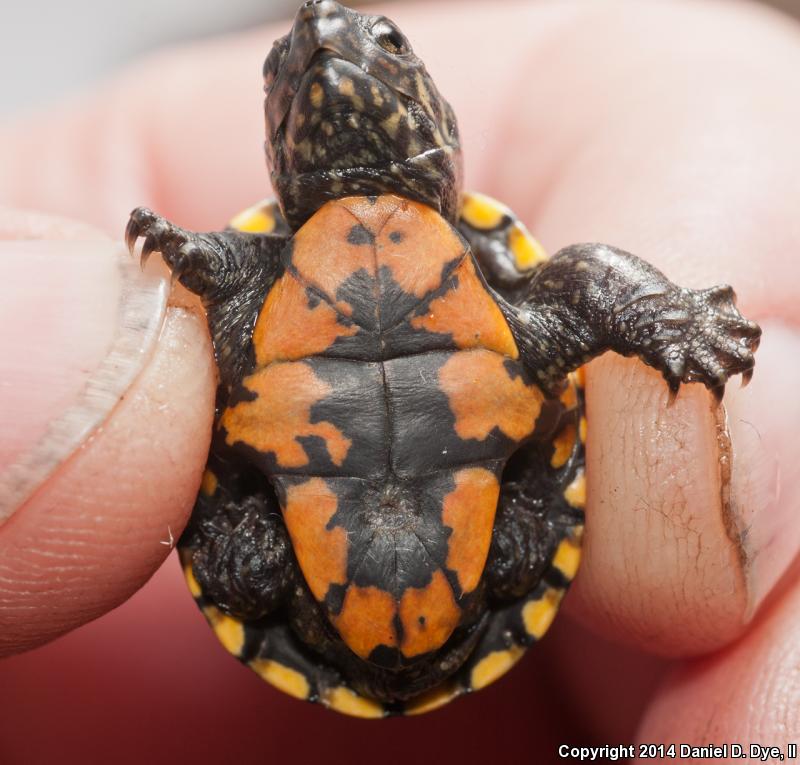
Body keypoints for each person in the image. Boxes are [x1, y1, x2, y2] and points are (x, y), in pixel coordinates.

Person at [0, 1, 797, 761]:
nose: (320, 31)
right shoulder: (251, 276)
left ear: (442, 118)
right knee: (262, 561)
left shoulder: (260, 286)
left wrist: (666, 318)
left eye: (382, 38)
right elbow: (581, 290)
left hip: (347, 568)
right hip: (476, 558)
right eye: (282, 62)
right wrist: (194, 261)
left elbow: (587, 284)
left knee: (248, 570)